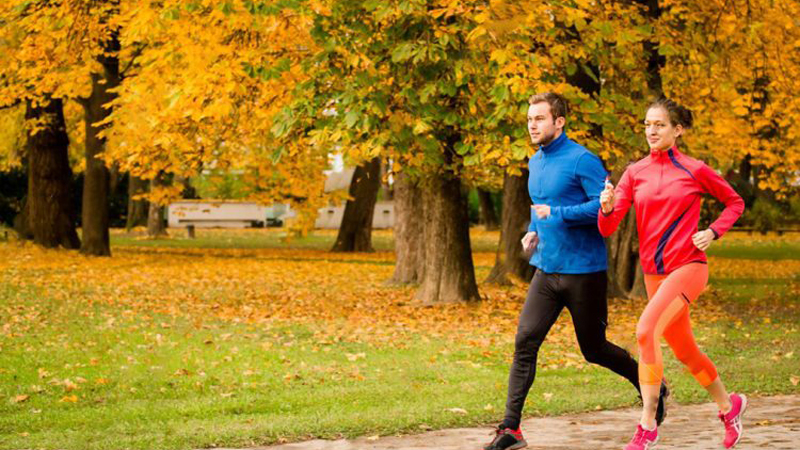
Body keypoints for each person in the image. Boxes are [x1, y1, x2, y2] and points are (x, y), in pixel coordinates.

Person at [483, 92, 667, 450]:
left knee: (594, 349)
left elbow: (605, 212)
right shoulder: (535, 162)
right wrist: (533, 229)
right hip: (546, 271)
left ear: (559, 121)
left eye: (539, 118)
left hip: (584, 272)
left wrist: (559, 216)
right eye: (529, 119)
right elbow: (542, 208)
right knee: (525, 342)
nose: (532, 125)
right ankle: (510, 430)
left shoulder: (583, 160)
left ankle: (653, 388)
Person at [598, 97, 747, 450]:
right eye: (647, 124)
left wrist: (713, 231)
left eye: (660, 124)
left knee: (645, 330)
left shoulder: (695, 169)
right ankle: (730, 407)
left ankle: (647, 424)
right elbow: (608, 227)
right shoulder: (634, 172)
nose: (651, 130)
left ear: (677, 130)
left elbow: (735, 202)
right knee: (685, 350)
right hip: (654, 274)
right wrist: (605, 208)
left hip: (689, 266)